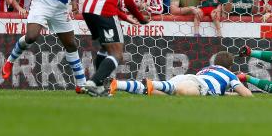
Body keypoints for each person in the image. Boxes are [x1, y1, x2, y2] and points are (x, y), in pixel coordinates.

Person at [81, 0, 150, 97]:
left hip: (87, 9)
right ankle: (93, 82)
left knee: (105, 48)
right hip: (104, 11)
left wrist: (126, 18)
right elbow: (129, 2)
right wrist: (141, 18)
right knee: (117, 53)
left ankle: (99, 88)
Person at [108, 51, 252, 97]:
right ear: (230, 66)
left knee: (166, 90)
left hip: (187, 78)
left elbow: (223, 93)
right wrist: (241, 79)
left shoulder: (206, 69)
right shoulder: (230, 75)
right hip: (196, 85)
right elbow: (247, 95)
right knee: (181, 92)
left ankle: (116, 84)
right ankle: (151, 86)